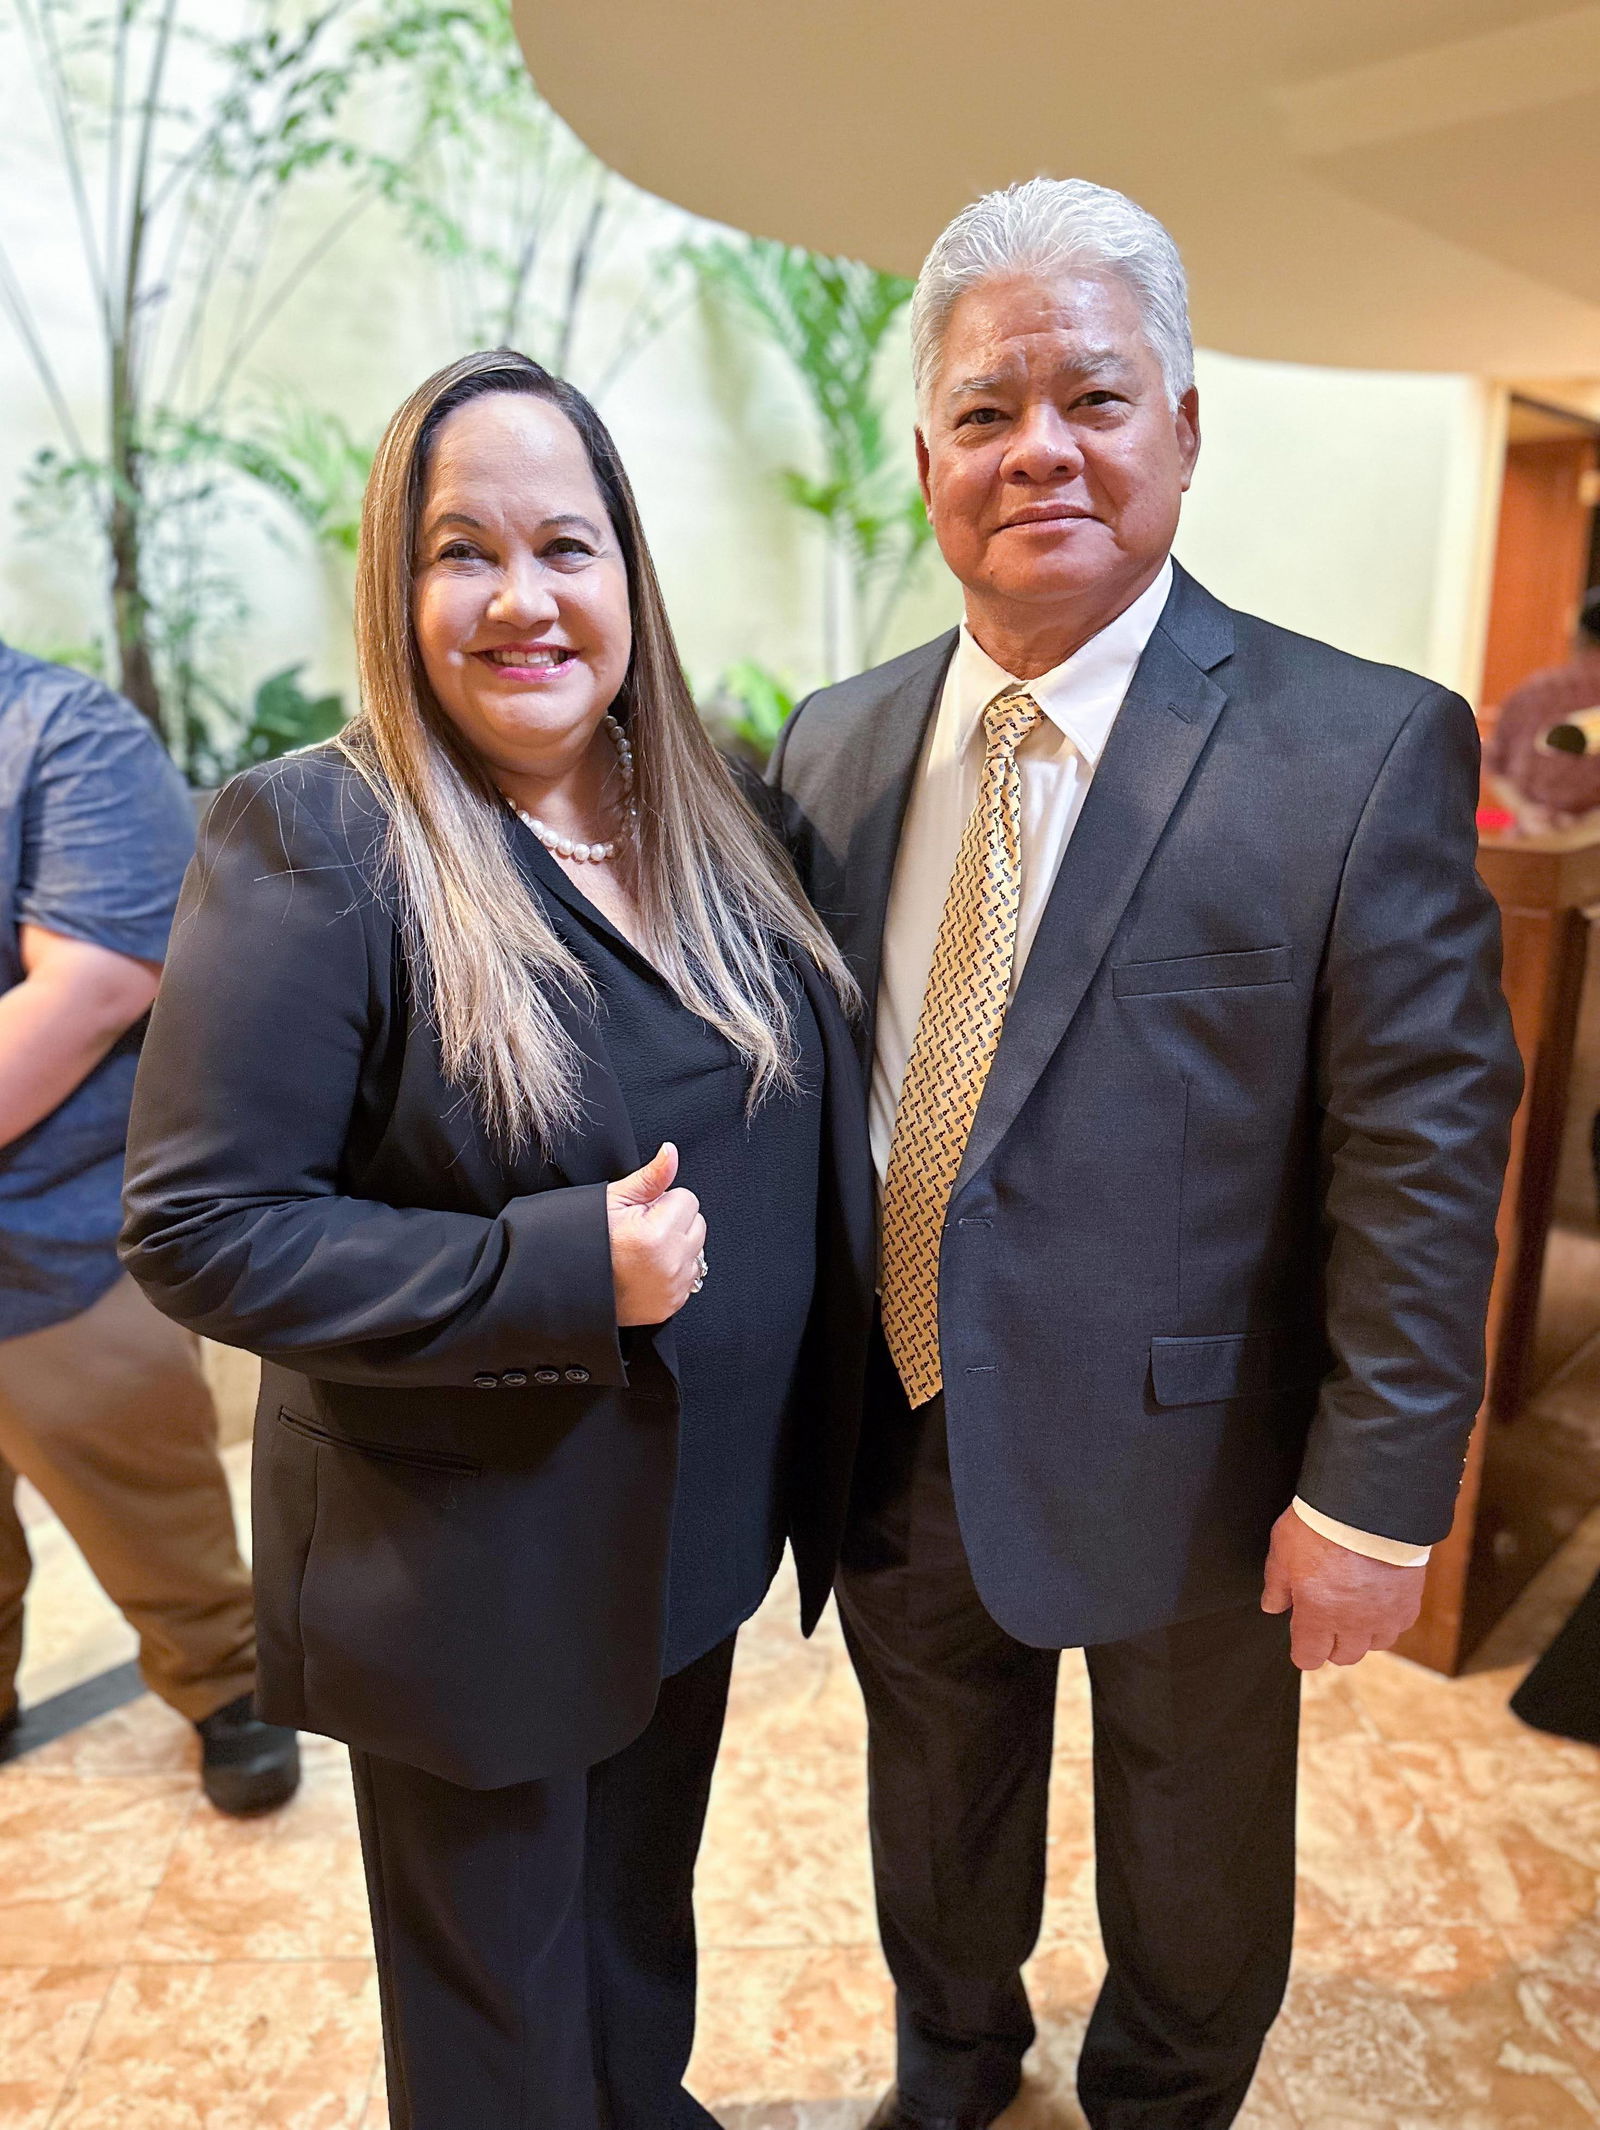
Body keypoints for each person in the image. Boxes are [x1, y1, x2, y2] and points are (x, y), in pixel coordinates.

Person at [768, 179, 1524, 2130]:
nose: (1038, 449)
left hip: (1204, 1456)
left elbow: (1425, 1147)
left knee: (1189, 1857)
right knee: (929, 1799)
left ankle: (1162, 2103)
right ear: (923, 451)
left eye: (1092, 399)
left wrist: (1370, 1498)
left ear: (1182, 427)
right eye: (984, 408)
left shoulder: (1351, 748)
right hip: (898, 1417)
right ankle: (950, 2061)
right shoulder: (832, 746)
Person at [119, 348, 873, 2130]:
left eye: (569, 546)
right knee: (496, 2024)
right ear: (399, 586)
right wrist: (555, 1274)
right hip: (471, 1556)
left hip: (685, 1538)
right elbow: (203, 1225)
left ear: (631, 577)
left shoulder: (722, 821)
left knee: (629, 1930)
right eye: (465, 551)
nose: (524, 599)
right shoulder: (322, 838)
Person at [0, 639, 298, 1815]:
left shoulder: (64, 735)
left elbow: (93, 987)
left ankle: (223, 1683)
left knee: (145, 1499)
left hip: (49, 1233)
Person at [1485, 583, 1600, 819]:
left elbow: (1493, 764)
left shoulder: (1537, 688)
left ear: (1578, 636)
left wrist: (1527, 813)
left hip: (1530, 843)